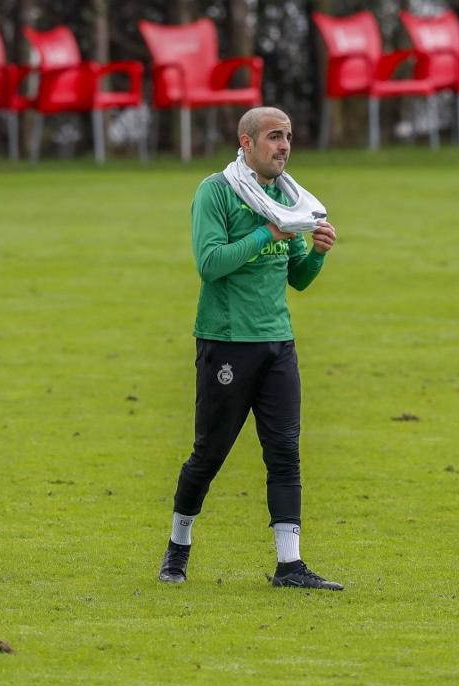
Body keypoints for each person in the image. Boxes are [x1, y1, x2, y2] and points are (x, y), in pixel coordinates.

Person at [157, 107, 344, 590]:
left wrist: (317, 253)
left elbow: (297, 279)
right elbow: (210, 263)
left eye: (288, 137)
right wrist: (267, 232)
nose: (283, 146)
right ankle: (178, 548)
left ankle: (290, 565)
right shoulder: (215, 192)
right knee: (209, 454)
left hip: (277, 344)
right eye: (273, 137)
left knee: (285, 451)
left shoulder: (288, 198)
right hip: (226, 342)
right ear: (245, 142)